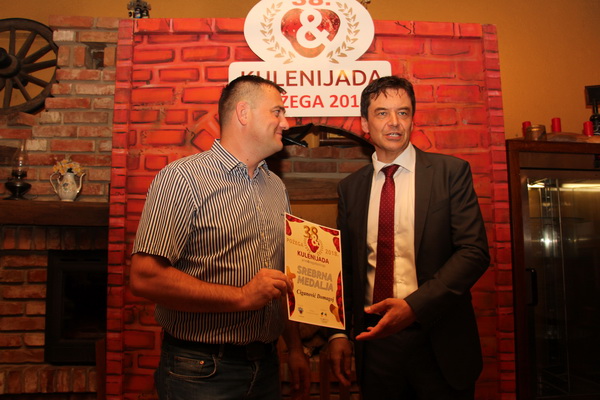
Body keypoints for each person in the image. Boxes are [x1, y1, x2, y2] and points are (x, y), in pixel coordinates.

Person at [130, 75, 311, 400]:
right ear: (244, 112)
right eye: (277, 112)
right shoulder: (182, 179)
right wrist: (242, 296)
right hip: (200, 371)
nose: (287, 123)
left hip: (267, 366)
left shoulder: (276, 187)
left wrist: (294, 347)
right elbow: (144, 277)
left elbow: (281, 279)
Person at [328, 76, 490, 400]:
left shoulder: (450, 173)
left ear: (413, 120)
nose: (394, 122)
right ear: (365, 124)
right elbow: (344, 267)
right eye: (382, 113)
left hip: (439, 341)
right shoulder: (350, 188)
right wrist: (338, 333)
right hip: (375, 343)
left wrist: (413, 308)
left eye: (403, 113)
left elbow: (473, 252)